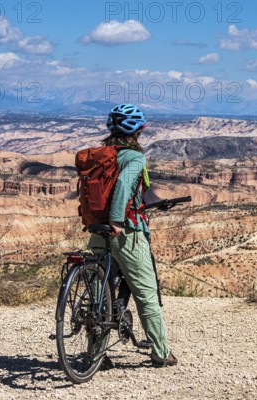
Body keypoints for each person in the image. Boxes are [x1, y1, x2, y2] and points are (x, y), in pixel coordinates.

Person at [87, 103, 177, 368]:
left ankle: (96, 353)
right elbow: (125, 186)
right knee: (146, 291)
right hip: (125, 231)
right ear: (137, 131)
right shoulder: (134, 157)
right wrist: (117, 220)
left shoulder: (101, 155)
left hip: (97, 229)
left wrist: (105, 221)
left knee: (97, 293)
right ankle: (161, 353)